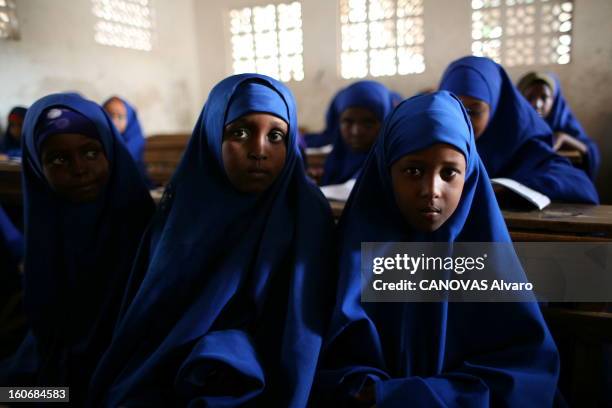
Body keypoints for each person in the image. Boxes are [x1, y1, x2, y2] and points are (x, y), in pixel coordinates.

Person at [89, 74, 336, 407]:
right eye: (239, 132)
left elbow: (306, 337)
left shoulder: (307, 215)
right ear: (211, 134)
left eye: (276, 135)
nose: (259, 151)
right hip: (171, 373)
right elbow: (150, 321)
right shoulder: (183, 210)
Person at [315, 91, 559, 407]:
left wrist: (401, 396)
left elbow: (525, 374)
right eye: (413, 171)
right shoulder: (352, 254)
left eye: (449, 173)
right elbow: (320, 358)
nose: (431, 190)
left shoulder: (489, 261)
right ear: (386, 172)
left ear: (469, 175)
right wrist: (356, 385)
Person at [0, 93, 155, 405]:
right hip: (60, 378)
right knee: (15, 395)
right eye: (58, 159)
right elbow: (46, 333)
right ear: (36, 167)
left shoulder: (147, 234)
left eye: (91, 152)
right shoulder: (46, 237)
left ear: (111, 152)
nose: (79, 169)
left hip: (137, 374)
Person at [439, 56, 598, 204]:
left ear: (496, 109)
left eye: (474, 111)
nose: (462, 121)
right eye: (452, 108)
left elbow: (579, 185)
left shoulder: (522, 147)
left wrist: (505, 190)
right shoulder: (435, 143)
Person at [517, 71, 600, 180]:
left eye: (544, 97)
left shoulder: (564, 123)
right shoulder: (514, 126)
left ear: (554, 100)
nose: (537, 104)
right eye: (530, 97)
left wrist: (563, 137)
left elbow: (590, 151)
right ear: (520, 99)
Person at [320, 81, 393, 186]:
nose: (356, 132)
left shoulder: (393, 168)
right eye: (348, 122)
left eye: (368, 122)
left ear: (385, 122)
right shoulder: (334, 163)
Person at [102, 96, 150, 183]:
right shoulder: (100, 138)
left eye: (120, 117)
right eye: (110, 116)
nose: (114, 122)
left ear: (130, 118)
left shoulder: (135, 139)